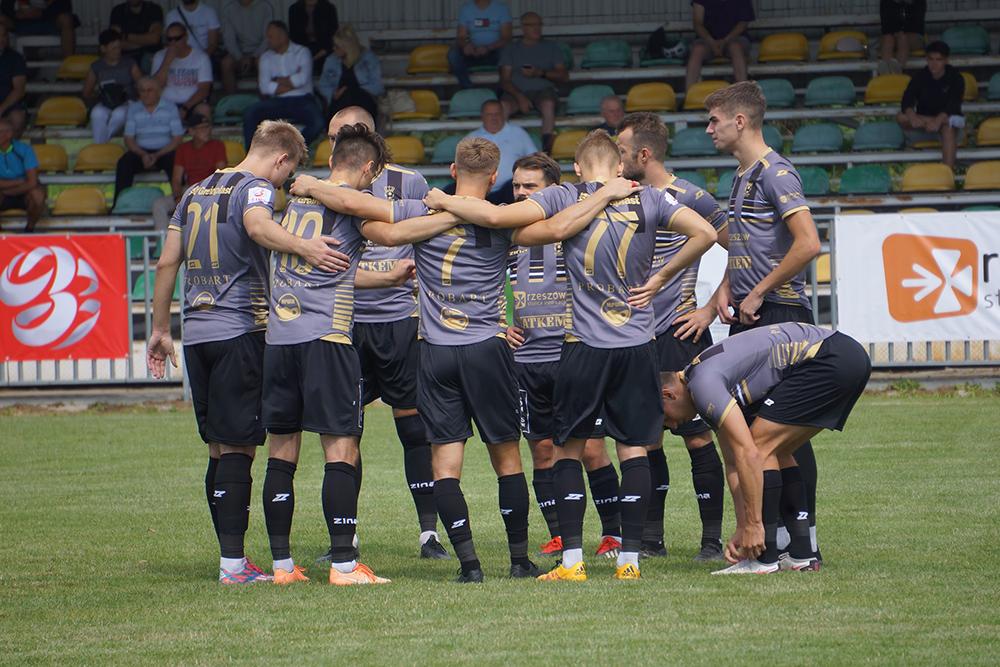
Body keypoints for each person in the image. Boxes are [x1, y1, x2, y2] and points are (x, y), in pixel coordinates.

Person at [294, 136, 638, 583]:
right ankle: (518, 560)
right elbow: (558, 228)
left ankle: (469, 565)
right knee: (507, 459)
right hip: (489, 350)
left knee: (445, 465)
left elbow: (372, 222)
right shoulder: (498, 220)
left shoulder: (422, 208)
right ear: (494, 177)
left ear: (453, 171)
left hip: (436, 351)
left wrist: (311, 186)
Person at [424, 130, 718, 581]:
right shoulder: (650, 199)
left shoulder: (566, 195)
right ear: (619, 167)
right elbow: (706, 231)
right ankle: (630, 562)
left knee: (567, 449)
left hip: (582, 345)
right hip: (638, 343)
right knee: (633, 447)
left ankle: (572, 561)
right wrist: (660, 279)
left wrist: (440, 200)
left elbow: (507, 223)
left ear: (578, 168)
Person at [145, 119, 348, 585]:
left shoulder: (195, 191)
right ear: (281, 159)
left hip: (197, 335)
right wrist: (305, 247)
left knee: (219, 448)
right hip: (240, 328)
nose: (282, 185)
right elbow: (258, 226)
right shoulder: (255, 188)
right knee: (238, 448)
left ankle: (231, 559)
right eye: (288, 172)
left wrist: (160, 329)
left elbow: (166, 262)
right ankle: (233, 566)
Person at [260, 123, 457, 586]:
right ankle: (345, 565)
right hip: (326, 340)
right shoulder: (349, 205)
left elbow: (328, 270)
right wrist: (453, 215)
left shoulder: (295, 203)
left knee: (282, 452)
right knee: (341, 450)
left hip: (279, 341)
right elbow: (391, 232)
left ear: (331, 160)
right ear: (368, 168)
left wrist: (383, 280)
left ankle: (283, 566)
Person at [310, 106, 449, 564]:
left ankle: (428, 534)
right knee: (346, 432)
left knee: (414, 427)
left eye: (349, 133)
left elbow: (433, 228)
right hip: (344, 323)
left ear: (371, 137)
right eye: (333, 135)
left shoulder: (409, 182)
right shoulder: (322, 187)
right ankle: (346, 540)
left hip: (399, 322)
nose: (339, 141)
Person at [704, 81, 824, 563]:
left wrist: (757, 291)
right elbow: (744, 243)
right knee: (758, 433)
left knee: (775, 434)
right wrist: (726, 288)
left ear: (739, 121)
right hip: (754, 313)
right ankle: (779, 544)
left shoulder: (776, 173)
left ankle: (797, 543)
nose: (707, 128)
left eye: (713, 120)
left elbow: (809, 243)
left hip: (780, 315)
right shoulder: (741, 175)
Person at [660, 322, 871, 573]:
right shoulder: (701, 380)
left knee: (760, 447)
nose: (671, 427)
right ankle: (802, 554)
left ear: (668, 394)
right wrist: (742, 525)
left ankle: (763, 559)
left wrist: (753, 525)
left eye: (664, 418)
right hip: (847, 355)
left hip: (828, 358)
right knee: (777, 451)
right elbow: (733, 463)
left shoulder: (703, 386)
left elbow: (749, 453)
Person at [617, 112, 730, 561]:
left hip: (681, 333)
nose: (618, 159)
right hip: (635, 336)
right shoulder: (619, 195)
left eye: (623, 152)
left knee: (698, 436)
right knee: (647, 439)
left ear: (644, 154)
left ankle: (710, 540)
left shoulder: (692, 197)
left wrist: (708, 307)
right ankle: (651, 538)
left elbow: (736, 247)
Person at [504, 151, 625, 561]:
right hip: (525, 359)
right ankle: (558, 535)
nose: (520, 193)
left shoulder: (577, 225)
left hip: (572, 351)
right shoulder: (508, 232)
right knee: (541, 450)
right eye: (517, 185)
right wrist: (495, 324)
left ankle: (613, 534)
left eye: (530, 187)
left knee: (591, 449)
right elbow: (479, 278)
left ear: (553, 191)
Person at [242, 21, 324, 150]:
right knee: (250, 113)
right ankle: (251, 156)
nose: (267, 40)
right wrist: (293, 83)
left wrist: (276, 81)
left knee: (318, 122)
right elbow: (264, 87)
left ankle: (292, 150)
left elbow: (302, 79)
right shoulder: (265, 57)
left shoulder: (302, 52)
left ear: (283, 36)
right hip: (276, 101)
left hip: (302, 99)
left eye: (271, 37)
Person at [499, 12, 568, 154]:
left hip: (543, 91)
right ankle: (502, 147)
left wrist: (540, 73)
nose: (537, 28)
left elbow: (563, 75)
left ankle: (546, 150)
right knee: (503, 106)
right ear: (523, 28)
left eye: (539, 24)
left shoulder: (551, 47)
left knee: (548, 105)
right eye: (532, 25)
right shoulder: (511, 49)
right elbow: (504, 81)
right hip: (516, 92)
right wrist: (519, 97)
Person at [151, 103, 227, 232]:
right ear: (191, 131)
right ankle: (164, 244)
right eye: (201, 128)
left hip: (210, 188)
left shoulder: (218, 145)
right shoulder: (183, 149)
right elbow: (176, 179)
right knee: (159, 205)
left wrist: (206, 193)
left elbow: (220, 175)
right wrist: (177, 197)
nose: (206, 131)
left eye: (207, 127)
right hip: (190, 189)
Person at [115, 77, 184, 203]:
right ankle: (119, 204)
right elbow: (129, 139)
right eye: (142, 91)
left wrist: (157, 155)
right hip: (141, 151)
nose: (146, 94)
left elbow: (177, 138)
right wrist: (143, 154)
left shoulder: (170, 107)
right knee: (124, 164)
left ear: (158, 92)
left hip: (165, 150)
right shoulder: (133, 108)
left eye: (149, 90)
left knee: (176, 163)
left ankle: (181, 204)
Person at [897, 41, 965, 168]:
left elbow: (953, 105)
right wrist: (912, 116)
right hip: (923, 125)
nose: (934, 64)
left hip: (947, 122)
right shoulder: (919, 76)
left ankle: (947, 174)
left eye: (938, 59)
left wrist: (938, 121)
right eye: (931, 59)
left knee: (948, 128)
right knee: (901, 116)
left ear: (946, 60)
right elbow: (907, 100)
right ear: (926, 59)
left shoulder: (956, 78)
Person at [464, 99, 536, 204]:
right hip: (479, 190)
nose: (494, 118)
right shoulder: (471, 139)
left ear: (503, 114)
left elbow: (534, 161)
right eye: (489, 114)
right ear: (482, 116)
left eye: (497, 113)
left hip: (510, 189)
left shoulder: (518, 133)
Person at [83, 29, 142, 145]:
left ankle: (100, 146)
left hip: (127, 102)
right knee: (96, 113)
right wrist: (100, 96)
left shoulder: (130, 63)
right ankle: (102, 146)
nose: (117, 51)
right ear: (103, 48)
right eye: (113, 48)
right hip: (106, 102)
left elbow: (142, 85)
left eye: (119, 47)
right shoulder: (97, 66)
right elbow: (86, 92)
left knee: (119, 114)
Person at [317, 24, 383, 122]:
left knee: (351, 95)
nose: (333, 49)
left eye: (337, 46)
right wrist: (333, 93)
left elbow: (377, 86)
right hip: (339, 101)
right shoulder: (331, 60)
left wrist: (352, 89)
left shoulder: (368, 59)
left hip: (364, 100)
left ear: (347, 47)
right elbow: (322, 84)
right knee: (345, 99)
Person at [685, 0, 754, 92]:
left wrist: (725, 40)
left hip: (736, 38)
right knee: (697, 49)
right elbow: (697, 23)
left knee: (735, 47)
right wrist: (711, 41)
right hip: (707, 40)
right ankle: (689, 95)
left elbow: (743, 23)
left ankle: (742, 95)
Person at [151, 22, 212, 121]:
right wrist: (167, 61)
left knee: (204, 109)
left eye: (177, 38)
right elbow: (155, 86)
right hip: (166, 104)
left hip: (192, 104)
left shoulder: (201, 57)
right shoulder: (159, 56)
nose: (173, 43)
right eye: (169, 39)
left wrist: (185, 107)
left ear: (186, 37)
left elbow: (204, 90)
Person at [448, 0, 512, 89]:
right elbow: (461, 37)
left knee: (506, 53)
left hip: (494, 55)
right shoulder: (466, 9)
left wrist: (489, 47)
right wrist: (466, 46)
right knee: (453, 54)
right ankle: (469, 90)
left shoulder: (501, 8)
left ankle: (499, 96)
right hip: (473, 54)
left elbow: (506, 37)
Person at [0, 117, 45, 232]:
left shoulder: (24, 149)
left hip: (23, 192)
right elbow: (27, 181)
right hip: (7, 191)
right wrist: (19, 181)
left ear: (9, 133)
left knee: (37, 195)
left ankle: (29, 229)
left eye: (1, 131)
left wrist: (7, 189)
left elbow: (32, 182)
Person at [219, 0, 273, 95]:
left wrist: (253, 56)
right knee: (226, 63)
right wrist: (240, 57)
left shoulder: (265, 7)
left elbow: (268, 38)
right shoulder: (229, 9)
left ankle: (265, 103)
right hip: (239, 53)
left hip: (259, 52)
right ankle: (231, 103)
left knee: (262, 62)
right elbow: (229, 39)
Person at [0, 0, 77, 58]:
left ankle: (69, 69)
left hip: (49, 22)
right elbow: (5, 7)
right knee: (1, 19)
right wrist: (16, 14)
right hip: (22, 23)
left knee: (67, 19)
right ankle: (7, 67)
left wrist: (41, 13)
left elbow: (65, 5)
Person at [109, 0, 163, 71]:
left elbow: (154, 39)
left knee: (150, 62)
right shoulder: (118, 11)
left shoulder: (154, 9)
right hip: (126, 57)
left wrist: (125, 36)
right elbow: (115, 43)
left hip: (150, 57)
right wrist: (146, 41)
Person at [880, 0, 926, 74]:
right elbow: (886, 26)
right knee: (888, 38)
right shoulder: (886, 2)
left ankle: (898, 74)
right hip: (892, 35)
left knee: (903, 38)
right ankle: (886, 76)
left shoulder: (919, 2)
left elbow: (917, 25)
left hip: (914, 36)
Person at [0, 23, 27, 138]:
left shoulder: (15, 58)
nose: (2, 39)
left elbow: (19, 90)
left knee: (17, 118)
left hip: (9, 106)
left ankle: (9, 154)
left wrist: (0, 110)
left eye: (4, 35)